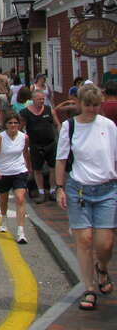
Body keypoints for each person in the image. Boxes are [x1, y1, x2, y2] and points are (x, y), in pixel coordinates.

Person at [55, 84, 117, 311]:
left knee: (105, 243)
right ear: (80, 104)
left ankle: (102, 268)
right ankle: (89, 288)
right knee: (84, 240)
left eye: (95, 105)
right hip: (78, 189)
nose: (91, 109)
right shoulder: (69, 127)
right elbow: (61, 160)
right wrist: (59, 188)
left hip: (107, 189)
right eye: (88, 105)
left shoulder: (108, 126)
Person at [0, 111, 31, 244]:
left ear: (19, 124)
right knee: (4, 199)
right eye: (10, 123)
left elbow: (25, 154)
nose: (13, 125)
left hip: (19, 171)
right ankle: (4, 219)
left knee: (20, 198)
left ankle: (20, 232)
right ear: (6, 124)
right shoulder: (0, 137)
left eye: (15, 123)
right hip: (3, 172)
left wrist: (28, 169)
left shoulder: (24, 137)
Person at [21, 89, 59, 203]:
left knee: (53, 168)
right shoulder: (25, 113)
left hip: (50, 143)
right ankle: (41, 192)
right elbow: (20, 129)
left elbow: (57, 124)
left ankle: (52, 191)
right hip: (35, 145)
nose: (41, 101)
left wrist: (61, 137)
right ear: (33, 100)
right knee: (37, 169)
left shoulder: (49, 110)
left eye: (43, 99)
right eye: (39, 99)